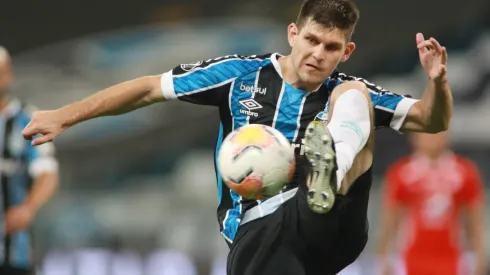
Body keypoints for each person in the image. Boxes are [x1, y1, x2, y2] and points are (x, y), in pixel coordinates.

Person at [21, 0, 452, 274]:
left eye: (332, 47)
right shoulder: (241, 75)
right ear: (292, 34)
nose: (319, 54)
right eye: (313, 40)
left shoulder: (342, 87)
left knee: (354, 94)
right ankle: (324, 175)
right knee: (351, 102)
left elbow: (430, 120)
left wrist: (438, 83)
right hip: (261, 229)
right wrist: (64, 116)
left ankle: (329, 170)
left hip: (329, 223)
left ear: (346, 51)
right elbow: (149, 88)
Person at [377, 131, 486, 275]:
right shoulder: (401, 172)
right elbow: (389, 222)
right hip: (411, 259)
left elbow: (474, 222)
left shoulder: (465, 172)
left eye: (438, 133)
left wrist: (480, 257)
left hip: (451, 259)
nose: (432, 138)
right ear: (415, 137)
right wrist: (383, 258)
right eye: (427, 133)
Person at [0, 46, 59, 275]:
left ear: (8, 75)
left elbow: (48, 173)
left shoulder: (28, 119)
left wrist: (28, 208)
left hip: (13, 255)